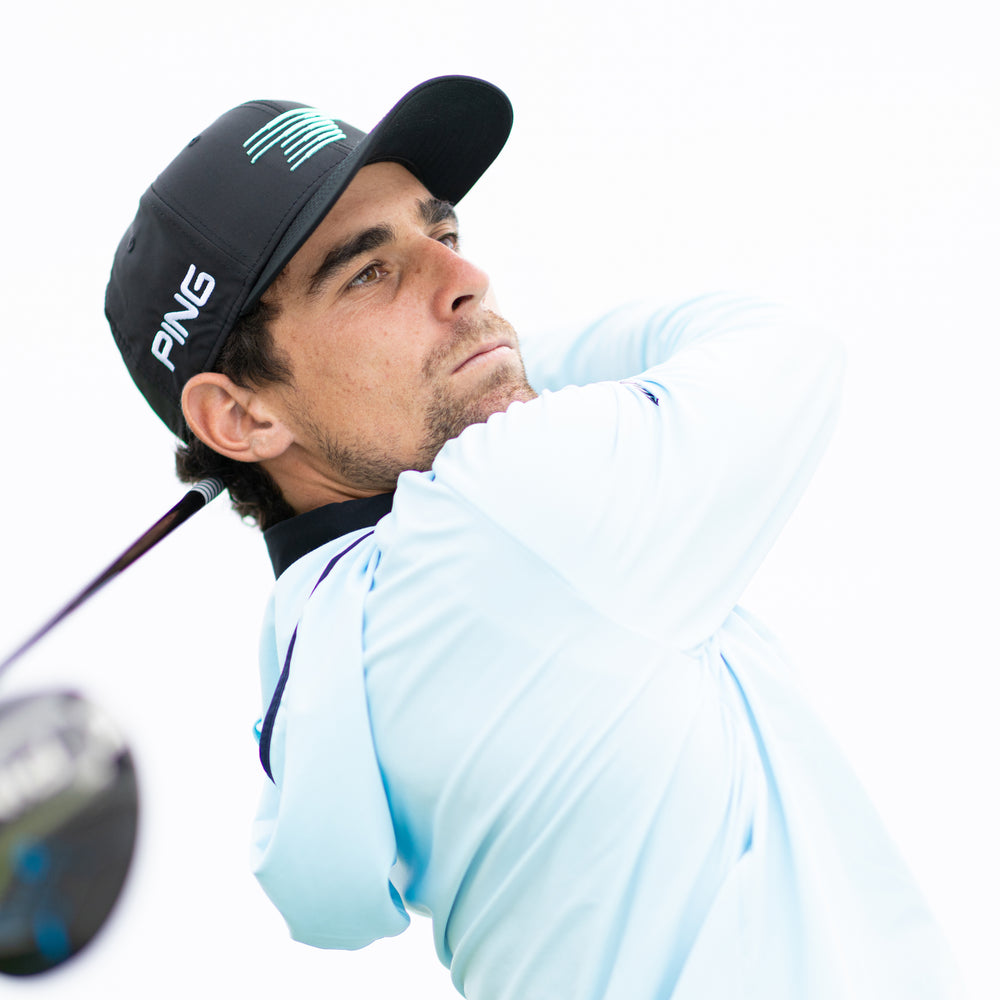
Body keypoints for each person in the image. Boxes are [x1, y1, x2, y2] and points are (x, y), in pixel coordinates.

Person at [105, 76, 964, 999]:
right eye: (368, 273)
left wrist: (464, 371)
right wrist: (499, 367)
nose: (467, 281)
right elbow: (780, 346)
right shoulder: (499, 511)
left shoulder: (313, 642)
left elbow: (328, 905)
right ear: (240, 416)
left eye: (442, 237)